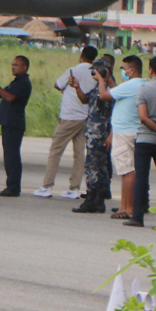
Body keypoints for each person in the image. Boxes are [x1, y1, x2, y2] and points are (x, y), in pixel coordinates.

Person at [36, 45, 97, 198]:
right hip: (85, 117)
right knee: (79, 154)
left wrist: (65, 90)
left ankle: (47, 185)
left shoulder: (73, 71)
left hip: (69, 116)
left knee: (55, 151)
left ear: (81, 56)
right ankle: (74, 188)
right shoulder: (95, 74)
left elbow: (57, 84)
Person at [126, 56, 156, 227]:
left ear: (151, 70)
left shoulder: (144, 89)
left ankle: (138, 215)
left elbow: (143, 118)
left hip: (145, 138)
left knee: (141, 178)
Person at [99, 54, 145, 219]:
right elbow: (116, 90)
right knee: (128, 170)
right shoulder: (140, 84)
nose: (123, 72)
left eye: (124, 69)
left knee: (127, 171)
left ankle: (128, 208)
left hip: (125, 133)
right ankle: (124, 206)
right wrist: (108, 78)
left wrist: (100, 80)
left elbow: (104, 95)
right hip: (129, 131)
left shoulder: (131, 85)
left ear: (132, 70)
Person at [71, 54, 115, 214]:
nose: (93, 74)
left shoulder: (111, 89)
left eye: (96, 71)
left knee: (94, 166)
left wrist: (105, 79)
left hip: (100, 133)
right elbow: (85, 99)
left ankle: (93, 198)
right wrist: (77, 87)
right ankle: (98, 199)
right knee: (98, 166)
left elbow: (112, 107)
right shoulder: (97, 87)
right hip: (93, 131)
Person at [0, 56, 32, 197]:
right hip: (8, 123)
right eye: (12, 64)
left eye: (16, 65)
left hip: (14, 123)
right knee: (9, 155)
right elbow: (2, 95)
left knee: (12, 156)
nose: (13, 67)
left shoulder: (24, 83)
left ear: (24, 67)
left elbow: (10, 97)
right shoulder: (16, 82)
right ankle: (11, 185)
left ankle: (13, 187)